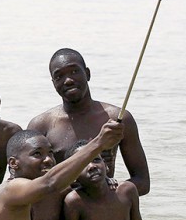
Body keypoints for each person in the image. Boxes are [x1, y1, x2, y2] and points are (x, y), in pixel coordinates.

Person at [28, 48, 150, 195]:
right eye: (59, 76)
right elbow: (30, 184)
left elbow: (142, 182)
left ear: (87, 73)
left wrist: (109, 188)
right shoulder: (41, 125)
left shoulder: (117, 119)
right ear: (53, 82)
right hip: (59, 209)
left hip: (99, 213)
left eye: (74, 71)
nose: (68, 80)